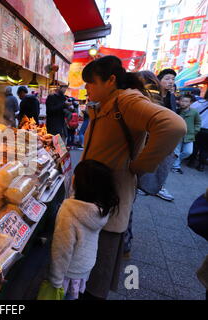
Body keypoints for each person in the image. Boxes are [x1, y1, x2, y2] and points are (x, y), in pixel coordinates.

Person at [78, 56, 186, 300]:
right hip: (94, 196)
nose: (86, 88)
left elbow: (174, 125)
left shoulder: (126, 100)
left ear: (111, 80)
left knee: (99, 267)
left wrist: (140, 166)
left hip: (110, 198)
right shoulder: (105, 102)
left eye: (90, 83)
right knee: (87, 263)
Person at [49, 160, 119, 300]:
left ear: (81, 183)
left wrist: (55, 280)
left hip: (67, 272)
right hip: (84, 267)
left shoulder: (69, 211)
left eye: (75, 174)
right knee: (72, 296)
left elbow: (62, 250)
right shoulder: (100, 208)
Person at [135, 71, 175, 202]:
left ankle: (151, 185)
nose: (171, 81)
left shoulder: (170, 97)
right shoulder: (144, 98)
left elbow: (177, 123)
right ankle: (145, 184)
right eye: (167, 78)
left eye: (173, 79)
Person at [172, 93, 201, 174]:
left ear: (190, 103)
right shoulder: (176, 110)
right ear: (179, 101)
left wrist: (195, 131)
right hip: (178, 135)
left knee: (188, 152)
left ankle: (174, 161)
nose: (183, 103)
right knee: (176, 152)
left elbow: (198, 122)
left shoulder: (194, 112)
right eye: (182, 101)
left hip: (189, 135)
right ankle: (176, 167)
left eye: (186, 101)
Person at [188, 90, 208, 171]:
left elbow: (190, 111)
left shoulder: (199, 103)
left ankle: (192, 162)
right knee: (205, 148)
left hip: (197, 128)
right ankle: (201, 165)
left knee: (195, 145)